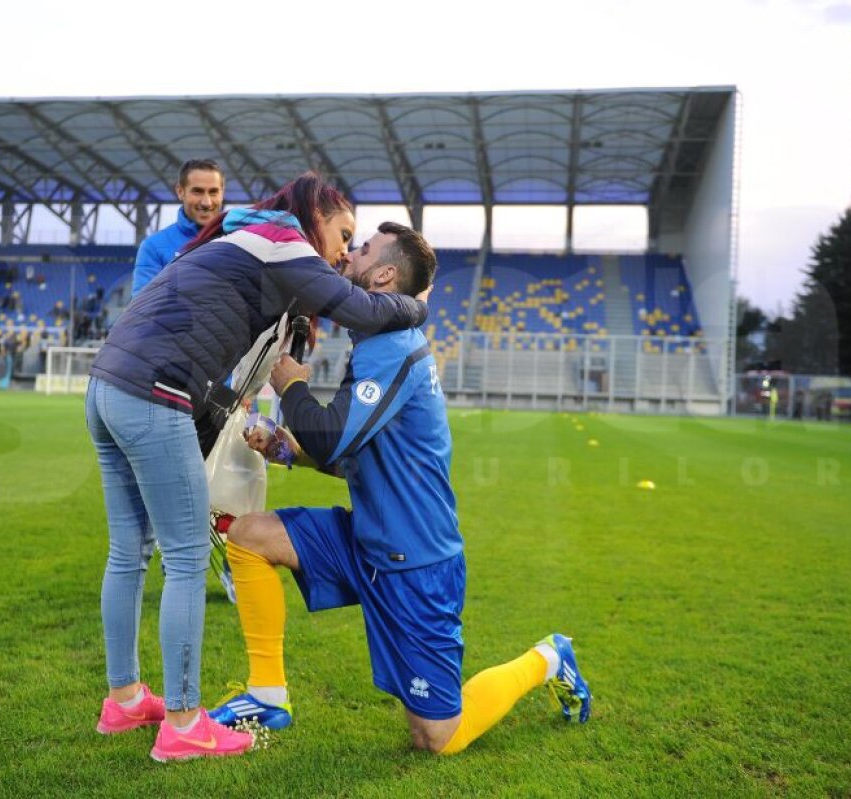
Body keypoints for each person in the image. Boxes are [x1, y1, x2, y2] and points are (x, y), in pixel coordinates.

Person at [209, 222, 591, 754]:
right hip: (366, 539)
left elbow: (333, 437)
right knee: (249, 537)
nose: (349, 255)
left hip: (418, 563)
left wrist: (290, 380)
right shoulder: (377, 342)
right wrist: (290, 452)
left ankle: (549, 658)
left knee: (438, 737)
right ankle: (268, 696)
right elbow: (358, 456)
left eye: (362, 249)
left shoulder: (393, 347)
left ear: (385, 274)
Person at [85, 173, 427, 763]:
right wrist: (415, 307)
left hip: (107, 386)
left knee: (128, 553)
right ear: (315, 212)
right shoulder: (282, 239)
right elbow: (360, 308)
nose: (346, 250)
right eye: (344, 234)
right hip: (154, 394)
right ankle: (186, 723)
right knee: (189, 558)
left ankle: (124, 699)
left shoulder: (250, 239)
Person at [130, 158, 224, 297]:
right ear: (180, 192)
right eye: (197, 191)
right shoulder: (154, 246)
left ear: (222, 193)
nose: (206, 202)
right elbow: (143, 311)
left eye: (213, 192)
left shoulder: (239, 241)